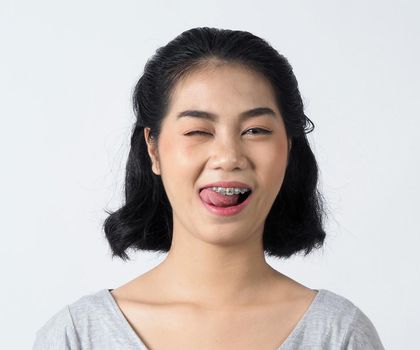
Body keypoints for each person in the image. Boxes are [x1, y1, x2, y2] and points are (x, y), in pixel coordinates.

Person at [32, 27, 385, 350]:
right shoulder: (77, 335)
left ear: (289, 148)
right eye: (198, 131)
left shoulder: (339, 335)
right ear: (153, 148)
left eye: (256, 130)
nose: (228, 157)